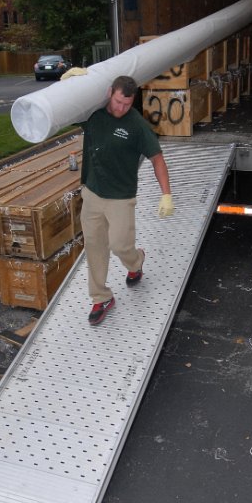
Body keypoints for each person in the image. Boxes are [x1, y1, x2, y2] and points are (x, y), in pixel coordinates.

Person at [80, 75, 174, 326]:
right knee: (95, 248)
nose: (122, 109)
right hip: (91, 194)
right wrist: (75, 82)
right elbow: (65, 107)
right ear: (110, 92)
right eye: (118, 102)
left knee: (120, 245)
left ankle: (136, 261)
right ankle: (101, 298)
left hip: (120, 198)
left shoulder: (137, 125)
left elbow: (157, 159)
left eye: (127, 104)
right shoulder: (93, 116)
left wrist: (166, 194)